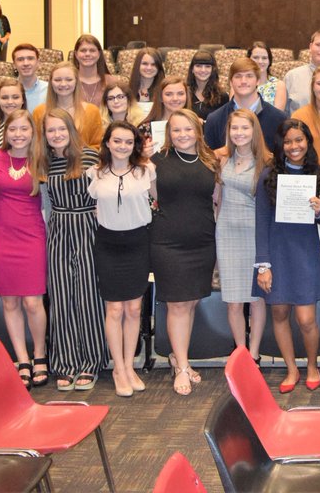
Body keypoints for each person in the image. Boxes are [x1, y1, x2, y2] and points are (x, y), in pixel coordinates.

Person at [254, 119, 320, 393]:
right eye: (288, 141)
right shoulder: (268, 175)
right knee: (280, 312)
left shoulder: (319, 174)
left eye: (299, 140)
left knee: (306, 319)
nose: (294, 146)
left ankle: (312, 366)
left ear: (307, 142)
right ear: (280, 145)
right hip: (276, 253)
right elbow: (261, 220)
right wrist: (263, 265)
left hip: (306, 252)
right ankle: (291, 369)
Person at [151, 109, 219, 396]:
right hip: (168, 243)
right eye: (176, 130)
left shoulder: (210, 161)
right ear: (169, 133)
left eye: (188, 129)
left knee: (190, 303)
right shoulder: (156, 161)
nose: (182, 135)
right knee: (177, 305)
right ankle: (181, 368)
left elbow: (215, 201)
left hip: (202, 242)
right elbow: (153, 197)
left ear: (198, 131)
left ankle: (180, 358)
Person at [40, 108, 106, 392]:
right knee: (61, 296)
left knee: (89, 295)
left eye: (61, 129)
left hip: (87, 226)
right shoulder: (44, 162)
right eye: (51, 130)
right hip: (58, 229)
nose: (56, 135)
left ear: (71, 130)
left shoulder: (90, 157)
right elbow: (44, 202)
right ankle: (66, 363)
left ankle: (91, 361)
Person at [86, 121, 153, 398]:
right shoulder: (95, 172)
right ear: (107, 143)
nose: (122, 146)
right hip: (108, 244)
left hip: (138, 242)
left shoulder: (146, 171)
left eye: (128, 141)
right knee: (114, 309)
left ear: (135, 145)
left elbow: (157, 202)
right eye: (117, 141)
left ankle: (130, 365)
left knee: (134, 309)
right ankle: (118, 369)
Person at [0, 109, 49, 388]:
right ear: (6, 133)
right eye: (13, 129)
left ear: (33, 132)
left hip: (32, 235)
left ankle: (40, 354)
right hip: (1, 235)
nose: (18, 134)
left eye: (24, 129)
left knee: (33, 302)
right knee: (9, 301)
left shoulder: (41, 159)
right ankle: (22, 359)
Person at [215, 109, 271, 361]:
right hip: (226, 232)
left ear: (254, 130)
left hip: (254, 234)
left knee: (257, 298)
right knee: (233, 300)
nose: (239, 133)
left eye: (245, 128)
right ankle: (241, 354)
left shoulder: (267, 162)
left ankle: (254, 354)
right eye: (234, 128)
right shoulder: (221, 159)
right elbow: (217, 198)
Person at [204, 57, 284, 154]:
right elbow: (210, 159)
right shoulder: (214, 120)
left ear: (258, 81)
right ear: (231, 82)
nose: (243, 81)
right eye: (238, 76)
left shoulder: (279, 119)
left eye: (249, 76)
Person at [33, 61, 103, 148]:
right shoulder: (39, 112)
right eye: (57, 80)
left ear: (76, 82)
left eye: (69, 79)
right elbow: (36, 145)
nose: (63, 84)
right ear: (51, 82)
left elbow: (97, 145)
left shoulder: (92, 111)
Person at [138, 76, 192, 152]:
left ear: (186, 96)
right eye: (168, 94)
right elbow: (134, 156)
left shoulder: (195, 125)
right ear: (161, 97)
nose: (175, 98)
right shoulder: (145, 129)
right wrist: (143, 155)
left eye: (180, 94)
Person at [73, 34, 112, 108]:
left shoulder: (111, 82)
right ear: (76, 54)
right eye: (83, 50)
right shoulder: (68, 82)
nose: (87, 54)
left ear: (99, 54)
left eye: (92, 50)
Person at [186, 50, 226, 120]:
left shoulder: (222, 96)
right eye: (198, 66)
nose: (203, 70)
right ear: (192, 69)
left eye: (207, 66)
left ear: (213, 70)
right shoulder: (184, 93)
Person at [249, 41, 288, 111]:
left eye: (264, 58)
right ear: (248, 60)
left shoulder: (279, 85)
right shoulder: (240, 83)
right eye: (256, 57)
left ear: (269, 61)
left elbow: (278, 115)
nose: (260, 61)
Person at [11, 43, 49, 111]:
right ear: (14, 65)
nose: (26, 63)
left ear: (38, 62)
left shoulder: (49, 90)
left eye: (30, 58)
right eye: (20, 59)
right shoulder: (8, 91)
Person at [128, 47, 164, 114]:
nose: (149, 68)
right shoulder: (127, 90)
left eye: (153, 64)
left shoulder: (165, 89)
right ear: (137, 65)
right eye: (145, 63)